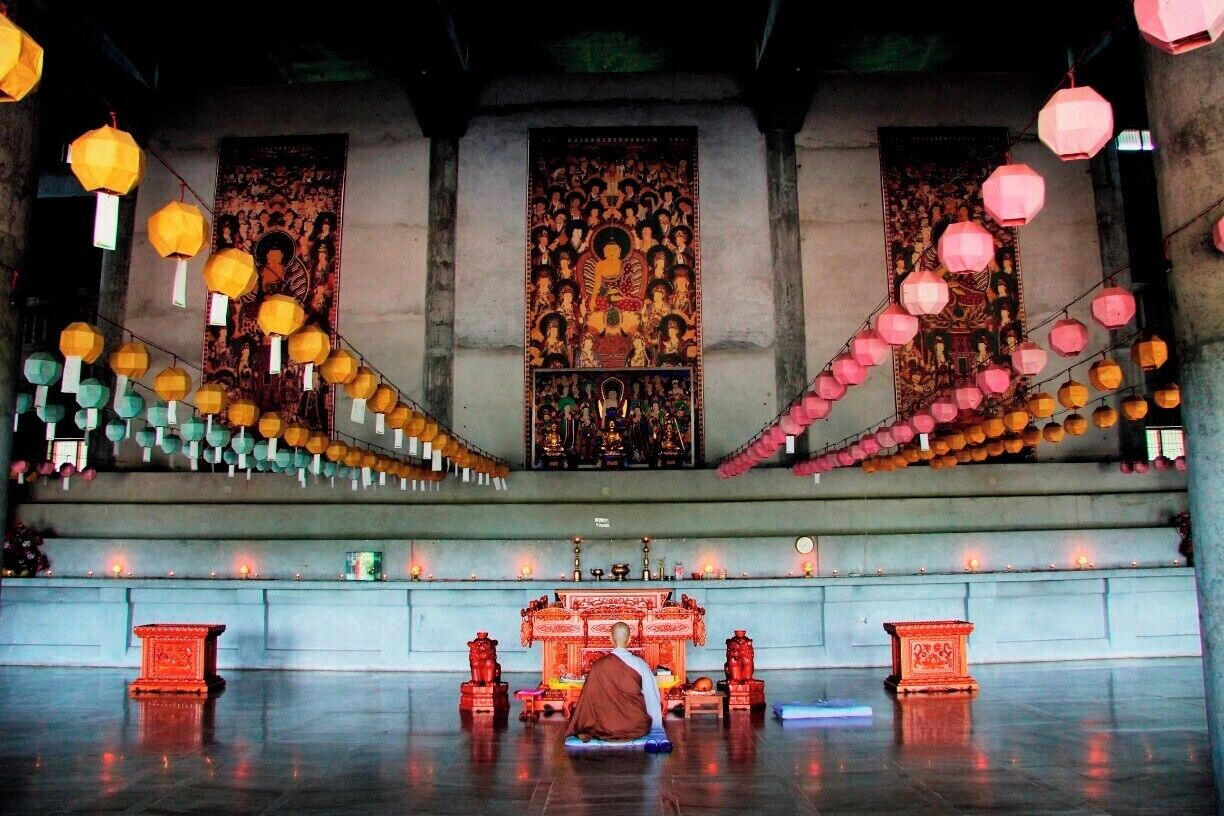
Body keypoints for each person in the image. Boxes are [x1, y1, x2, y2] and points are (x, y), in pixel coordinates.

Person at [566, 621, 666, 743]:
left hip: (605, 728)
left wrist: (584, 725)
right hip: (636, 727)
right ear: (629, 639)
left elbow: (588, 700)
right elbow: (652, 697)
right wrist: (656, 726)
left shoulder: (598, 666)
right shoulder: (641, 664)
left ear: (610, 639)